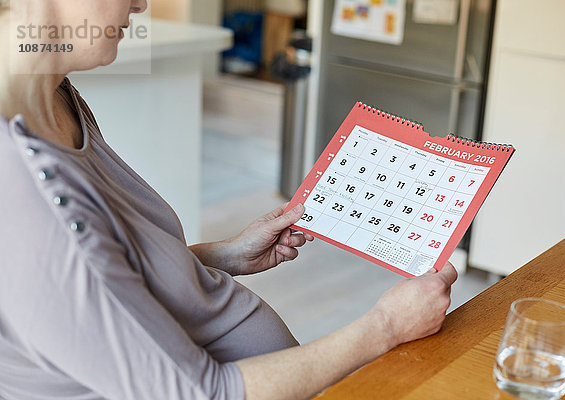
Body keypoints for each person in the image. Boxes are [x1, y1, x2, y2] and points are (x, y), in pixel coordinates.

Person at [0, 1, 457, 399]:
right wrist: (386, 327)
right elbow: (198, 393)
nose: (141, 6)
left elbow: (108, 279)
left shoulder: (56, 97)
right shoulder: (19, 188)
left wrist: (227, 254)